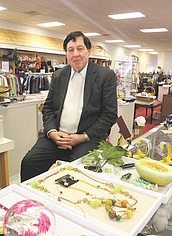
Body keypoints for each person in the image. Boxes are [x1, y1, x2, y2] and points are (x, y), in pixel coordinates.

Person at [20, 31, 118, 181]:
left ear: (88, 51)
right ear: (66, 54)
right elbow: (48, 108)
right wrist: (52, 132)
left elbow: (109, 115)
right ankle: (31, 201)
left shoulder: (105, 76)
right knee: (29, 162)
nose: (75, 54)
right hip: (56, 136)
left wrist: (82, 137)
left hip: (86, 138)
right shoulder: (59, 75)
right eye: (70, 50)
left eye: (80, 48)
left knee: (76, 172)